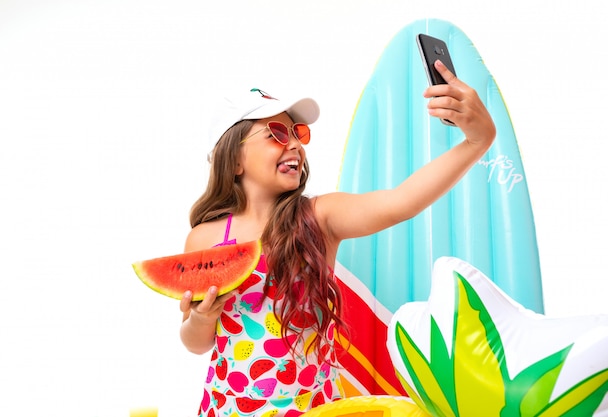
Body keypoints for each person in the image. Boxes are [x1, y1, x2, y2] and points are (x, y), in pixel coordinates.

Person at [179, 60, 496, 417]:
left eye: (298, 134)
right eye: (277, 135)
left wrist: (476, 142)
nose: (295, 145)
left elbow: (400, 202)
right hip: (226, 410)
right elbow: (195, 342)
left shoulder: (318, 218)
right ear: (234, 158)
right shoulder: (204, 239)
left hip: (316, 410)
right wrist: (202, 320)